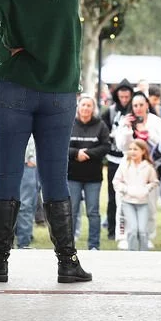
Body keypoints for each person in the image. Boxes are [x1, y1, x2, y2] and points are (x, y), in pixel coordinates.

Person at [0, 0, 90, 282]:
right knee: (55, 177)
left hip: (14, 90)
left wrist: (3, 53)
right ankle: (67, 263)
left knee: (7, 173)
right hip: (60, 95)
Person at [67, 95, 109, 251]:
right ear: (78, 107)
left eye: (89, 105)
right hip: (72, 176)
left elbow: (106, 146)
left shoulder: (101, 126)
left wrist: (89, 154)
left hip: (93, 178)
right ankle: (68, 245)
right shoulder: (69, 123)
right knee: (71, 211)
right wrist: (76, 153)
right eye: (83, 105)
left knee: (93, 212)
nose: (85, 108)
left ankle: (94, 245)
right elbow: (61, 145)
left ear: (93, 108)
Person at [112, 140, 159, 251]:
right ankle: (132, 254)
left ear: (143, 151)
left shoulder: (148, 167)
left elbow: (154, 182)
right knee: (132, 230)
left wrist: (146, 189)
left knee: (142, 230)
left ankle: (143, 253)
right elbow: (116, 181)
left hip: (143, 203)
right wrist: (125, 189)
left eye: (135, 149)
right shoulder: (125, 165)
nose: (132, 152)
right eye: (131, 149)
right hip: (128, 202)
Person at [103, 79, 135, 240]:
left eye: (127, 96)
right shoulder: (110, 111)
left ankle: (132, 228)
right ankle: (111, 229)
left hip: (133, 158)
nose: (124, 99)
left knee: (133, 195)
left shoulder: (136, 110)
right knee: (112, 196)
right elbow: (102, 131)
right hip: (114, 158)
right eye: (121, 96)